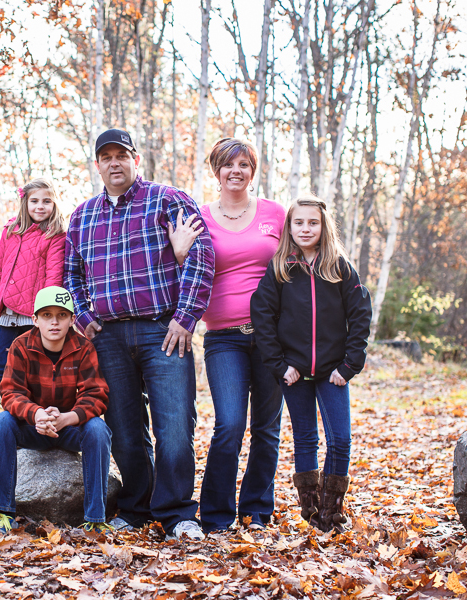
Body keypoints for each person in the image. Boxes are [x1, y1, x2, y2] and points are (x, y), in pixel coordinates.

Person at [64, 128, 215, 541]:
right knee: (125, 428)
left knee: (174, 426)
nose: (115, 163)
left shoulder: (168, 200)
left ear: (135, 160)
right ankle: (136, 507)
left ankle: (178, 513)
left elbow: (201, 256)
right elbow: (71, 274)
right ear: (97, 165)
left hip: (162, 330)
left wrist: (185, 318)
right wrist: (82, 314)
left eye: (122, 155)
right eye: (106, 157)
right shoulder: (83, 215)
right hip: (107, 337)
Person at [250, 195, 372, 533]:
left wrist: (349, 366)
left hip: (333, 372)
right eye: (299, 222)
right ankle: (312, 512)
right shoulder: (280, 270)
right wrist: (278, 364)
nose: (306, 228)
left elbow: (361, 315)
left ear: (323, 226)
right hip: (295, 373)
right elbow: (261, 316)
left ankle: (333, 511)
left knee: (341, 440)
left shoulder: (340, 268)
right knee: (305, 439)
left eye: (313, 222)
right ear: (289, 227)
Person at [194, 138, 286, 533]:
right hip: (223, 338)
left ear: (253, 169)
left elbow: (297, 269)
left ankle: (256, 511)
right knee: (229, 424)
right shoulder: (199, 216)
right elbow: (186, 272)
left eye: (244, 164)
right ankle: (215, 515)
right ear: (217, 171)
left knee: (267, 427)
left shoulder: (275, 214)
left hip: (272, 337)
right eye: (228, 165)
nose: (237, 171)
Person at [0, 286, 112, 538]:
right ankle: (1, 515)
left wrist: (68, 418)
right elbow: (11, 392)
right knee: (1, 422)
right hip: (33, 427)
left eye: (61, 315)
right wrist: (36, 414)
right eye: (46, 315)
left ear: (72, 319)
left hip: (68, 428)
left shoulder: (83, 347)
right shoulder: (20, 346)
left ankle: (95, 520)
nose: (54, 322)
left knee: (98, 429)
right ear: (35, 319)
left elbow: (95, 394)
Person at [0, 178, 68, 384]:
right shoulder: (10, 230)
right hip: (8, 317)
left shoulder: (56, 235)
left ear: (55, 203)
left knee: (36, 371)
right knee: (1, 365)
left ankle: (36, 412)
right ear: (25, 203)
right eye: (35, 201)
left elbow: (54, 279)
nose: (40, 206)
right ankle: (16, 410)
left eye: (46, 201)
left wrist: (47, 317)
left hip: (34, 319)